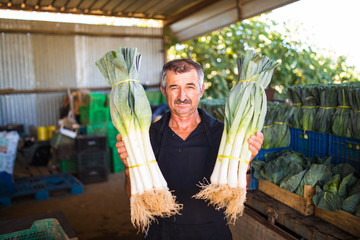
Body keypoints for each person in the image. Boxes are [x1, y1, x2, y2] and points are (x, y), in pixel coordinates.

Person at [116, 59, 264, 240]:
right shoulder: (146, 137)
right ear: (164, 92)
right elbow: (132, 194)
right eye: (174, 87)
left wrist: (246, 161)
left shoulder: (223, 134)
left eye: (190, 87)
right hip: (160, 234)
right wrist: (128, 167)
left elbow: (240, 190)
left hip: (212, 233)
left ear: (201, 91)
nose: (182, 96)